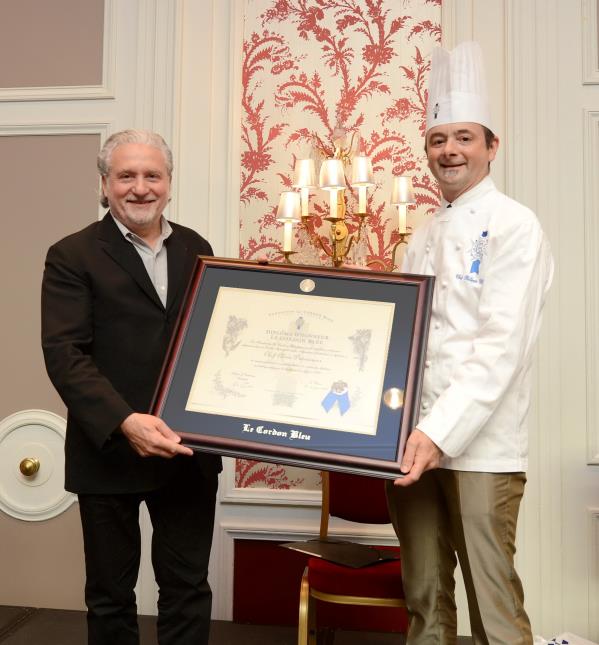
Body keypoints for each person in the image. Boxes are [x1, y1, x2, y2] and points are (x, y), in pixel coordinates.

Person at [385, 43, 553, 644]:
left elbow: (500, 347)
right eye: (437, 139)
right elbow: (404, 340)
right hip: (410, 442)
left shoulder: (516, 225)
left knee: (493, 603)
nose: (449, 151)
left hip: (482, 445)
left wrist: (438, 432)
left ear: (491, 146)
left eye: (464, 138)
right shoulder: (424, 234)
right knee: (424, 597)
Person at [41, 129, 222, 645]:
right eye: (126, 176)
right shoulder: (72, 254)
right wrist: (126, 421)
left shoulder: (197, 247)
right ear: (104, 185)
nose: (140, 188)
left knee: (187, 588)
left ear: (168, 184)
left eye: (152, 175)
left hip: (186, 449)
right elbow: (64, 355)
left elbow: (213, 342)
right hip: (108, 450)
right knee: (110, 597)